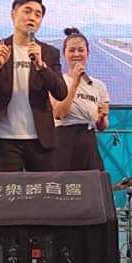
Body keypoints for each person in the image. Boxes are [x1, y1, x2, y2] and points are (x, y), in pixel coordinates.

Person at [0, 0, 68, 172]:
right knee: (9, 189)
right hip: (4, 138)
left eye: (38, 14)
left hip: (40, 137)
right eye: (27, 11)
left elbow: (61, 92)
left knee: (42, 189)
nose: (32, 17)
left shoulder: (49, 52)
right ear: (13, 14)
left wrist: (41, 66)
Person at [52, 27, 110, 171]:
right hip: (63, 141)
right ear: (64, 54)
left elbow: (102, 126)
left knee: (92, 183)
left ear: (87, 53)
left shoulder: (98, 86)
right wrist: (75, 84)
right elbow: (59, 114)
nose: (76, 54)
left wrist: (102, 117)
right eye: (71, 50)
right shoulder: (57, 81)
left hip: (88, 142)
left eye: (81, 50)